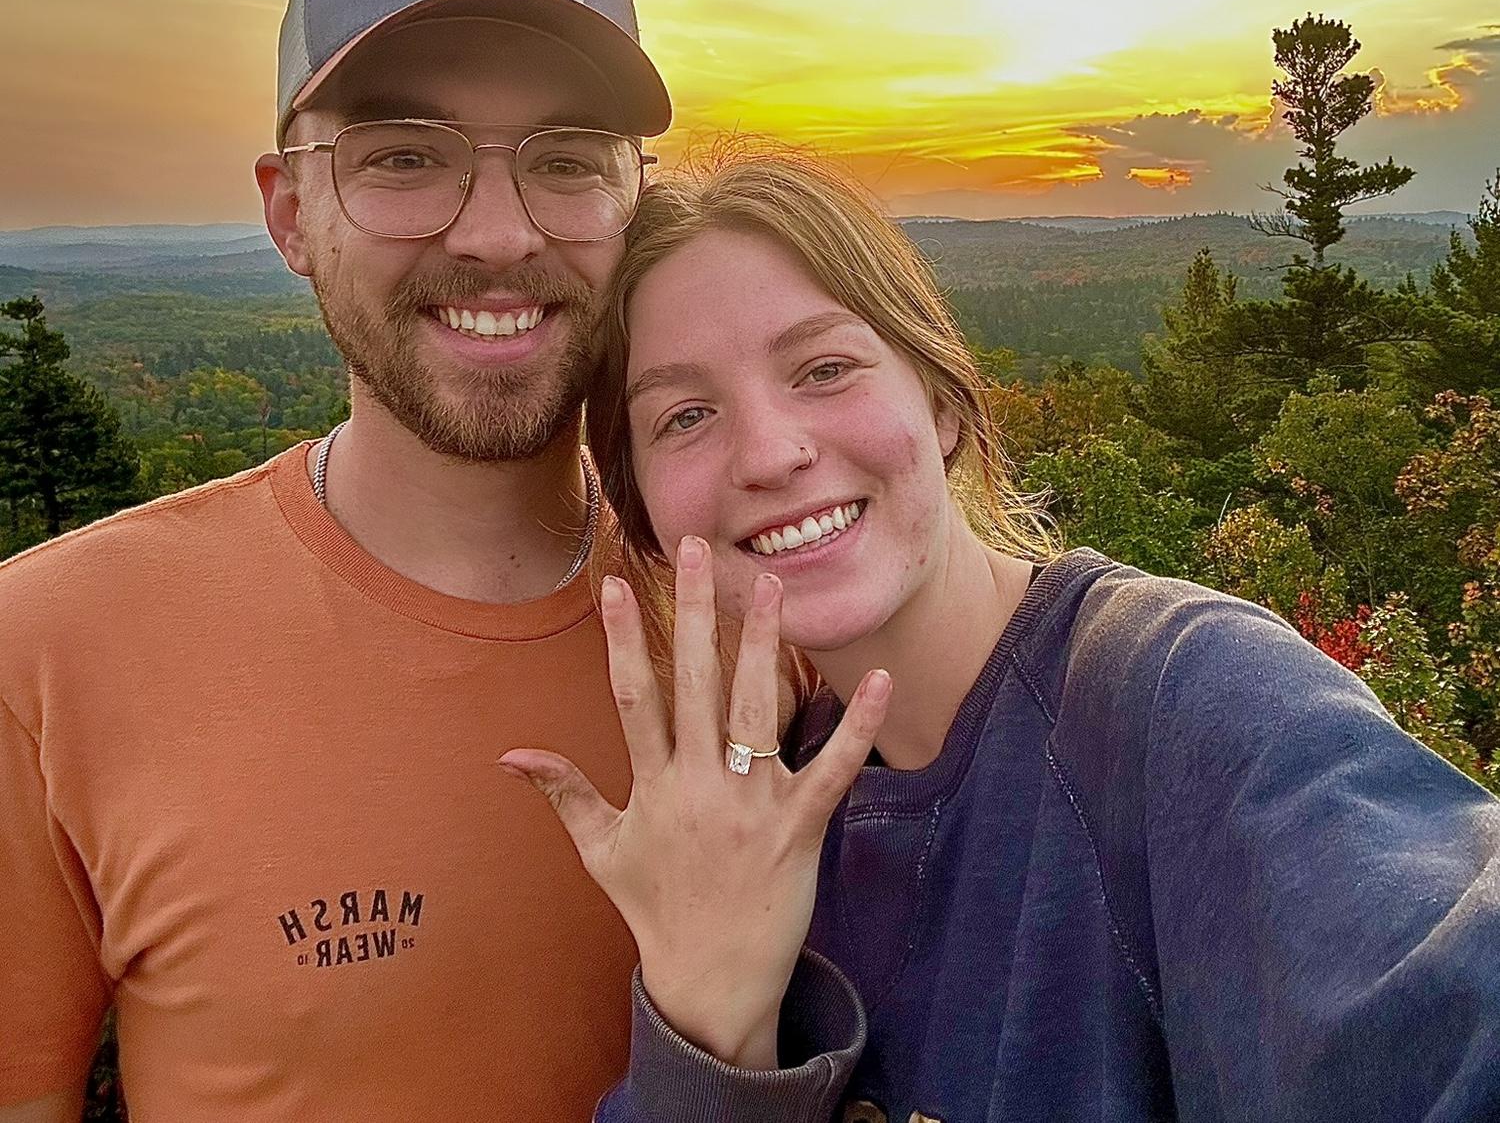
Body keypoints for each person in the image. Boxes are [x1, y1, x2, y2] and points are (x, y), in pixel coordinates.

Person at [501, 151, 1500, 1123]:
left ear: (939, 402)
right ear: (643, 515)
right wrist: (708, 1026)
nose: (769, 452)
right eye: (683, 417)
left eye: (826, 367)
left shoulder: (1175, 700)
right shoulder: (765, 826)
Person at [0, 0, 671, 1121]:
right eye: (406, 156)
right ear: (290, 211)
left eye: (568, 160)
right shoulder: (48, 654)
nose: (497, 232)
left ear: (635, 206)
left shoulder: (762, 616)